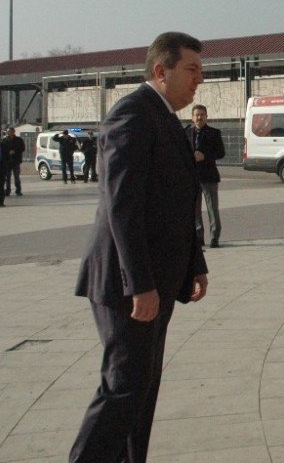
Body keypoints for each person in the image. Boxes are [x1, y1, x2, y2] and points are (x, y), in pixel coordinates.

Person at [70, 32, 209, 463]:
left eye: (201, 71)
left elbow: (175, 203)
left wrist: (194, 264)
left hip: (156, 281)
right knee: (123, 389)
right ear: (160, 71)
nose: (199, 80)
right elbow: (122, 208)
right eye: (192, 70)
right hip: (127, 284)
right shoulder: (131, 116)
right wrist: (140, 284)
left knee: (141, 392)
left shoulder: (164, 116)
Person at [185, 104, 224, 248]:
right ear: (192, 117)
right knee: (195, 209)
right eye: (197, 115)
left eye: (202, 115)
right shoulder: (185, 133)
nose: (199, 118)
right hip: (192, 178)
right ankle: (198, 236)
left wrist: (205, 156)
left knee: (212, 209)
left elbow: (221, 153)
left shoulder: (214, 133)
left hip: (209, 177)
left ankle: (215, 237)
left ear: (206, 117)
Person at [3, 126, 26, 196]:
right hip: (7, 161)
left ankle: (18, 190)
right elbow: (2, 149)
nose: (9, 133)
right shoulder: (4, 140)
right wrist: (8, 152)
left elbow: (23, 148)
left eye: (10, 131)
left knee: (16, 176)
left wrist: (15, 151)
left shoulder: (19, 140)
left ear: (13, 132)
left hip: (16, 161)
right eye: (8, 132)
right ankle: (7, 190)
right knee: (7, 177)